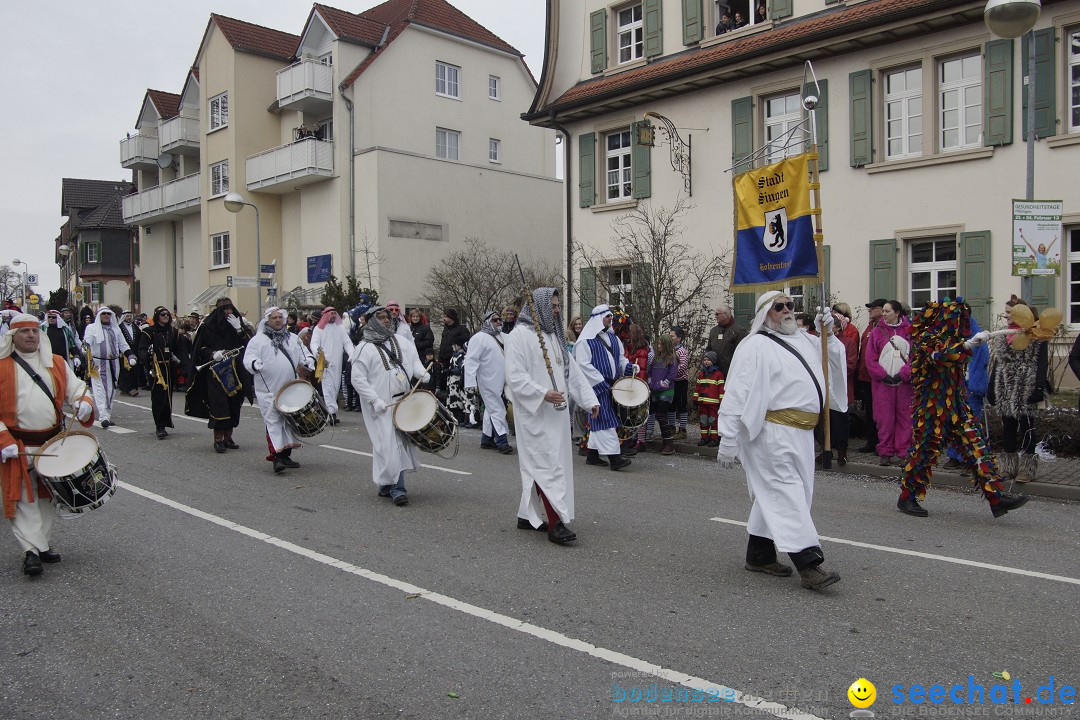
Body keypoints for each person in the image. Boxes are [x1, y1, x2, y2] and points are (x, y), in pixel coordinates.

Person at [715, 291, 846, 591]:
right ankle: (809, 563)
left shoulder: (801, 339)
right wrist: (728, 437)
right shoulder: (755, 345)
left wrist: (830, 332)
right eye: (779, 307)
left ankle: (759, 555)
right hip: (771, 434)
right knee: (786, 494)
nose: (787, 310)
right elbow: (737, 392)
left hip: (801, 434)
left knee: (780, 493)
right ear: (765, 314)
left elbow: (833, 358)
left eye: (790, 305)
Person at [896, 298, 1029, 518]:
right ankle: (906, 498)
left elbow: (957, 353)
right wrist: (968, 345)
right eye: (959, 320)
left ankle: (996, 498)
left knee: (977, 449)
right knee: (924, 454)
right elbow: (940, 356)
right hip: (932, 410)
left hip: (958, 407)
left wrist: (972, 342)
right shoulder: (927, 339)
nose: (962, 325)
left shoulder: (956, 339)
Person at [0, 314, 95, 576]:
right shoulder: (1, 366)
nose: (30, 335)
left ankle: (41, 545)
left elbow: (78, 388)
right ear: (12, 337)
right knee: (22, 498)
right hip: (16, 446)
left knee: (47, 498)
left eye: (34, 331)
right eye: (24, 332)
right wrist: (2, 438)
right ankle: (30, 552)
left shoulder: (56, 362)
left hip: (51, 445)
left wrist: (82, 402)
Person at [505, 288, 599, 544]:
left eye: (559, 306)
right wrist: (542, 393)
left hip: (557, 414)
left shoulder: (554, 337)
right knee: (547, 466)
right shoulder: (519, 337)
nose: (558, 310)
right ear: (539, 308)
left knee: (549, 464)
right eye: (554, 306)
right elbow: (514, 377)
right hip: (534, 414)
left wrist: (589, 400)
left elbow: (572, 372)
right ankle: (555, 524)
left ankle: (527, 514)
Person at [350, 306, 430, 506]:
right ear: (372, 321)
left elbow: (414, 360)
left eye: (388, 317)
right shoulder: (363, 348)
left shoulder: (402, 341)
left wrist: (421, 373)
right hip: (381, 405)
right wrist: (374, 400)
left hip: (403, 401)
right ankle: (398, 489)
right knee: (388, 445)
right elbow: (357, 379)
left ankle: (387, 485)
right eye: (382, 317)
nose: (387, 320)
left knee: (397, 445)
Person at [244, 307, 315, 473]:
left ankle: (286, 455)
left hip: (290, 388)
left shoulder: (292, 338)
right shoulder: (258, 340)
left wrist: (309, 361)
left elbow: (303, 353)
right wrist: (254, 363)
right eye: (274, 318)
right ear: (267, 320)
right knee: (273, 421)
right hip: (268, 390)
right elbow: (249, 357)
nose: (277, 320)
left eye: (279, 317)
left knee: (289, 421)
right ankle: (277, 457)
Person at [987, 296, 1050, 483]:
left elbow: (1042, 363)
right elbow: (997, 362)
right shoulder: (1003, 335)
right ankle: (1008, 467)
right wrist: (991, 387)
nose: (1006, 316)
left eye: (1009, 312)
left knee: (1027, 427)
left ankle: (1027, 469)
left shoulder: (1036, 335)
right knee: (1008, 428)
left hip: (1026, 387)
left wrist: (1038, 387)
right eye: (1005, 312)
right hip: (1005, 387)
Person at [185, 298, 255, 453]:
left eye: (230, 309)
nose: (229, 312)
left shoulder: (239, 324)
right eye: (225, 310)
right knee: (219, 404)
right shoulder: (208, 327)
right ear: (218, 311)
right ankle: (218, 439)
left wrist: (240, 330)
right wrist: (212, 353)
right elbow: (200, 348)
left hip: (235, 370)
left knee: (234, 403)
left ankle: (228, 437)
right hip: (216, 371)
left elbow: (251, 345)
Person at [574, 304, 636, 471]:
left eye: (611, 316)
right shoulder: (585, 341)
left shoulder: (614, 339)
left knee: (600, 419)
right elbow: (583, 365)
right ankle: (615, 459)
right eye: (607, 317)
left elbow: (621, 359)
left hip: (612, 385)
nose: (611, 319)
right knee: (606, 420)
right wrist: (600, 382)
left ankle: (592, 455)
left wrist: (631, 368)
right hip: (597, 387)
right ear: (598, 319)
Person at [865, 300, 913, 466]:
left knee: (905, 418)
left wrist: (904, 374)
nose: (883, 314)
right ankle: (885, 451)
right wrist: (881, 375)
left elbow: (915, 357)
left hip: (904, 385)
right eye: (883, 311)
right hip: (883, 385)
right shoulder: (877, 332)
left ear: (897, 312)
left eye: (887, 311)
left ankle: (904, 451)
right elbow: (870, 358)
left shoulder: (909, 331)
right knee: (884, 418)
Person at [944, 313, 990, 468]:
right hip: (957, 384)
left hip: (970, 386)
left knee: (970, 423)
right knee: (955, 421)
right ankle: (954, 455)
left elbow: (981, 362)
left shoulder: (977, 337)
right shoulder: (953, 334)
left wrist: (976, 385)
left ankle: (969, 456)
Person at [464, 311, 513, 454]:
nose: (499, 322)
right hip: (487, 380)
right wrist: (470, 382)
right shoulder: (479, 338)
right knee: (497, 409)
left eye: (500, 320)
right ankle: (502, 442)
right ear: (487, 322)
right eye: (495, 320)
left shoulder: (505, 337)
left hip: (503, 380)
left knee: (492, 409)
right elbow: (471, 361)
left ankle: (486, 439)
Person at [83, 307, 137, 429]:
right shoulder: (92, 328)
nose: (106, 315)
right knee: (99, 389)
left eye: (108, 314)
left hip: (113, 363)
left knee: (111, 389)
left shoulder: (115, 329)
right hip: (97, 363)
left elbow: (123, 344)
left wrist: (130, 355)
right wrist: (85, 347)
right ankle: (103, 416)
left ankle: (107, 414)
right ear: (99, 316)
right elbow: (87, 341)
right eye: (103, 314)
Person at [139, 306, 183, 439]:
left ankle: (165, 421)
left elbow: (180, 349)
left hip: (169, 368)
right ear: (157, 316)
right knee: (158, 397)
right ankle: (159, 426)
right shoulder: (149, 332)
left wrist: (183, 363)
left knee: (167, 397)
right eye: (162, 314)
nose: (165, 317)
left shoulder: (173, 332)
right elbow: (142, 349)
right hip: (156, 368)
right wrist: (148, 359)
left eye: (167, 315)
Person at [826, 303, 860, 466]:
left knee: (840, 421)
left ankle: (842, 451)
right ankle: (827, 450)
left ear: (837, 327)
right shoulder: (822, 342)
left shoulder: (848, 343)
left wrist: (834, 373)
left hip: (841, 387)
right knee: (827, 421)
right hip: (825, 388)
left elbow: (851, 365)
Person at [310, 307, 354, 425]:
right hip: (325, 364)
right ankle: (331, 413)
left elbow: (347, 342)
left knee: (335, 387)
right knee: (328, 387)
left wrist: (352, 354)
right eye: (331, 314)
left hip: (338, 363)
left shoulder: (340, 328)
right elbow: (314, 344)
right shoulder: (319, 329)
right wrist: (318, 354)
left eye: (335, 313)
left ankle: (331, 411)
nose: (333, 316)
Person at [856, 299, 885, 453]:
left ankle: (882, 442)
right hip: (866, 376)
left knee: (880, 412)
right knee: (870, 412)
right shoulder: (869, 327)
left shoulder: (884, 328)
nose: (870, 311)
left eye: (873, 309)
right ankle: (872, 441)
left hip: (879, 377)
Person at [648, 333, 678, 455]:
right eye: (658, 344)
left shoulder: (672, 358)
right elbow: (650, 371)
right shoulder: (656, 358)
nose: (659, 346)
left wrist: (663, 383)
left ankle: (669, 443)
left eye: (661, 344)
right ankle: (665, 443)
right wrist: (650, 381)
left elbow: (672, 374)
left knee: (661, 415)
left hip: (666, 392)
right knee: (657, 415)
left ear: (666, 345)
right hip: (655, 390)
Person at [693, 351, 725, 447]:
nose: (706, 362)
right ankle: (704, 438)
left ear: (713, 361)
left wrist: (721, 401)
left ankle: (714, 439)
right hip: (702, 403)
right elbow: (698, 387)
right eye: (705, 360)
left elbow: (721, 389)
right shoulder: (701, 374)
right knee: (703, 421)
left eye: (708, 360)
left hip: (713, 404)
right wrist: (695, 398)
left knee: (713, 421)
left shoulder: (718, 374)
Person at [707, 304, 748, 376]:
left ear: (725, 315)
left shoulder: (739, 331)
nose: (715, 316)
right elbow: (709, 349)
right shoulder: (713, 331)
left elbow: (744, 354)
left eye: (717, 314)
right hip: (714, 374)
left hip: (732, 373)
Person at [437, 308, 471, 394]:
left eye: (445, 316)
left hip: (455, 359)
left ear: (451, 318)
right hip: (444, 359)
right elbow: (443, 343)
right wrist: (440, 357)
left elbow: (466, 341)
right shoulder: (446, 329)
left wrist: (456, 342)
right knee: (444, 381)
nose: (443, 318)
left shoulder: (461, 329)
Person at [42, 310, 83, 376]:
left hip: (62, 360)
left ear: (58, 318)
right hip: (47, 361)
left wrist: (76, 356)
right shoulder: (42, 329)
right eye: (49, 317)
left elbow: (72, 344)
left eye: (53, 317)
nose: (51, 319)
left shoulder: (65, 330)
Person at [669, 326, 690, 439]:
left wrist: (671, 373)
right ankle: (671, 427)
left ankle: (682, 430)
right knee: (671, 405)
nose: (670, 337)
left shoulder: (682, 351)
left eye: (672, 336)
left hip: (681, 381)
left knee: (681, 405)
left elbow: (682, 367)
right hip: (671, 382)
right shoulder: (669, 350)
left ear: (679, 339)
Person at [115, 310, 141, 397]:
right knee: (125, 370)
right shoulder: (119, 328)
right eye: (127, 316)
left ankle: (133, 387)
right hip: (124, 353)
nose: (129, 318)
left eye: (130, 316)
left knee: (134, 370)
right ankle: (128, 389)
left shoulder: (135, 327)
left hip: (134, 352)